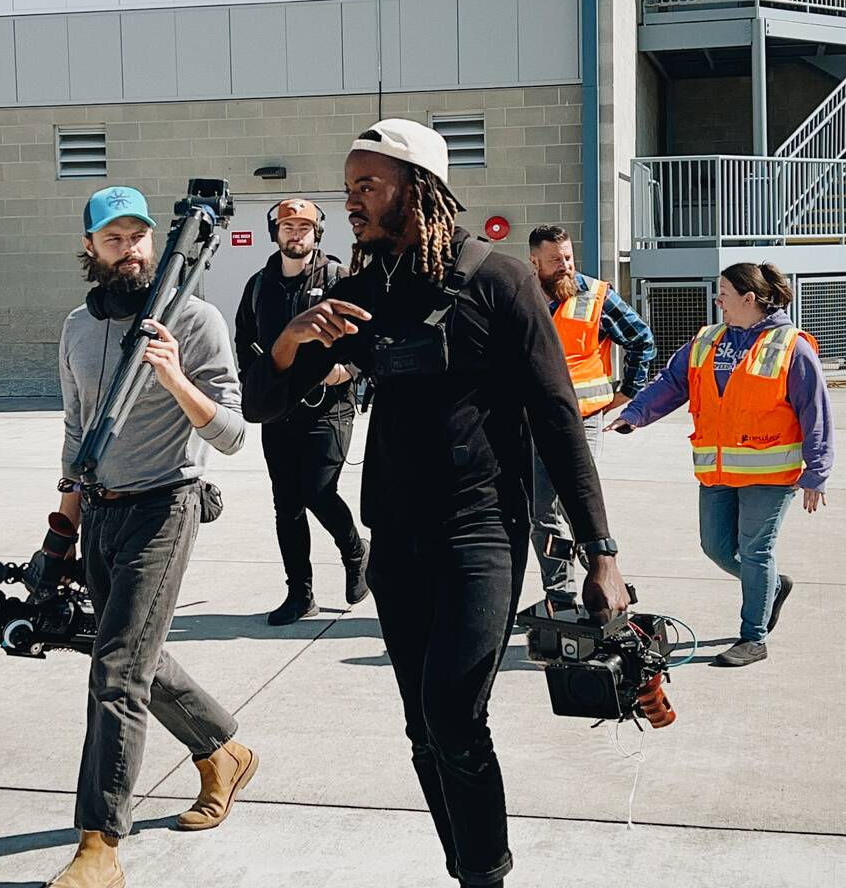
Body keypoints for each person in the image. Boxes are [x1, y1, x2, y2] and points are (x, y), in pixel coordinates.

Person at [243, 119, 629, 888]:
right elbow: (262, 405)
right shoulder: (358, 295)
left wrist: (601, 553)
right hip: (396, 539)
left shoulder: (499, 280)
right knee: (424, 728)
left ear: (417, 189)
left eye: (366, 185)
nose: (351, 201)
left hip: (479, 531)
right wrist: (290, 341)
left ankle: (486, 876)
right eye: (348, 187)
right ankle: (468, 869)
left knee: (455, 716)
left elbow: (557, 418)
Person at [48, 185, 259, 888]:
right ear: (90, 249)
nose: (129, 250)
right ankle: (222, 752)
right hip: (101, 511)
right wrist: (61, 531)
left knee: (116, 671)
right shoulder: (77, 327)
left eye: (138, 236)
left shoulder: (193, 319)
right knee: (135, 654)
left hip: (166, 505)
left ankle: (99, 844)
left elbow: (231, 433)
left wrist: (173, 377)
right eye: (113, 239)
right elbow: (77, 430)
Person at [606, 262, 833, 668]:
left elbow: (815, 410)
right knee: (715, 547)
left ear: (749, 298)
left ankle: (754, 637)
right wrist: (635, 414)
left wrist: (817, 472)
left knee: (756, 551)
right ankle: (771, 586)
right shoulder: (708, 341)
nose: (718, 301)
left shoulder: (790, 346)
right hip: (717, 470)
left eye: (724, 293)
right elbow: (672, 382)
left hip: (770, 474)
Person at [233, 197, 370, 625]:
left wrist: (348, 371)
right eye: (288, 226)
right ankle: (300, 593)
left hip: (329, 409)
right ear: (275, 232)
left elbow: (368, 336)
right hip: (278, 411)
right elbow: (244, 339)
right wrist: (255, 381)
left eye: (304, 227)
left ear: (317, 233)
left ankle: (355, 553)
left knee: (317, 491)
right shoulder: (259, 285)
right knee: (287, 504)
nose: (296, 234)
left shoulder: (338, 279)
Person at [523, 224, 657, 611]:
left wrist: (628, 391)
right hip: (533, 419)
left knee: (577, 505)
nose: (565, 265)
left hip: (581, 419)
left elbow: (641, 339)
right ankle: (560, 597)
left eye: (568, 257)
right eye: (555, 260)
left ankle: (603, 579)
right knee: (543, 513)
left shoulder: (596, 295)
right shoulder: (521, 295)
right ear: (534, 261)